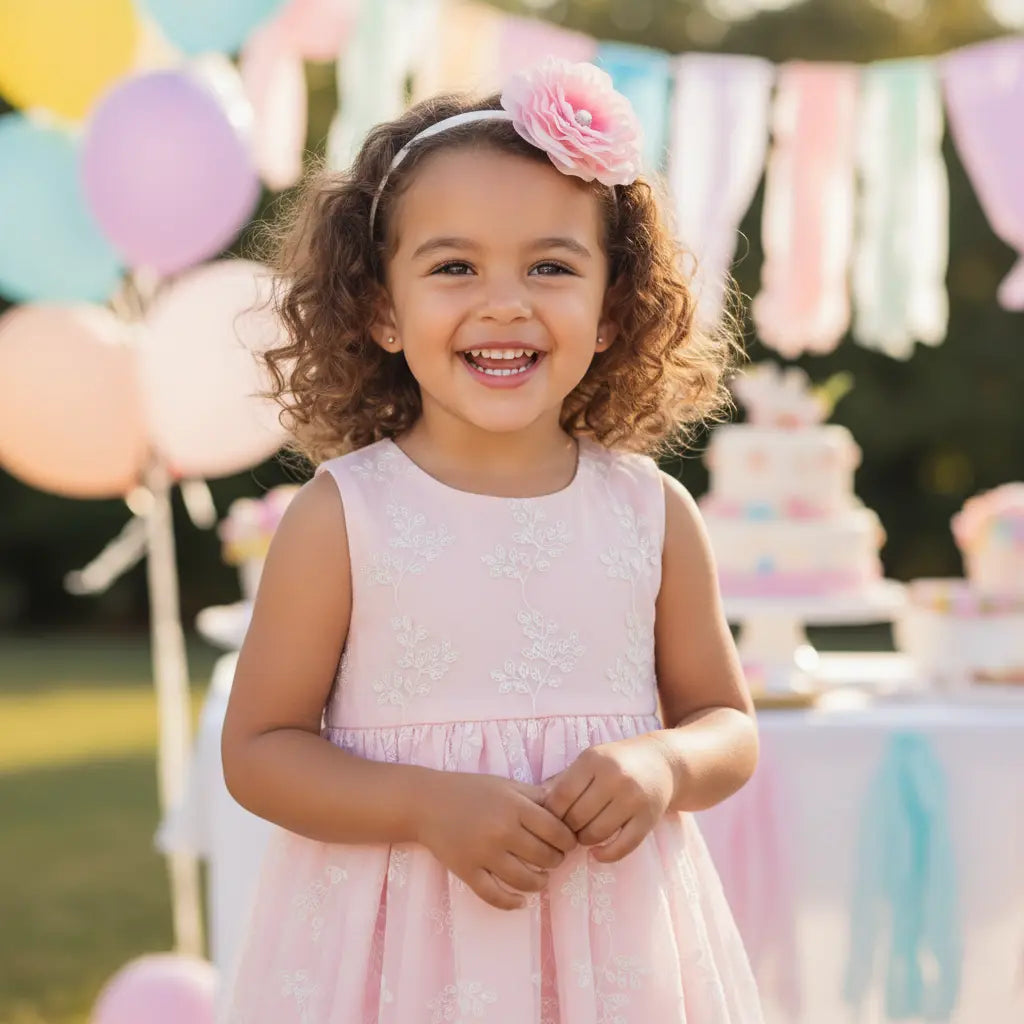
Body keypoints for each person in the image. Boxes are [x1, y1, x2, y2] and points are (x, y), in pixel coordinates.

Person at [219, 57, 762, 1023]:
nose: (505, 301)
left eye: (551, 266)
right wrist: (428, 806)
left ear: (611, 310)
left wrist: (663, 765)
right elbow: (260, 750)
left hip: (614, 955)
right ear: (383, 308)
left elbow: (727, 722)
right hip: (397, 959)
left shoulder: (654, 512)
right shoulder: (345, 515)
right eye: (454, 266)